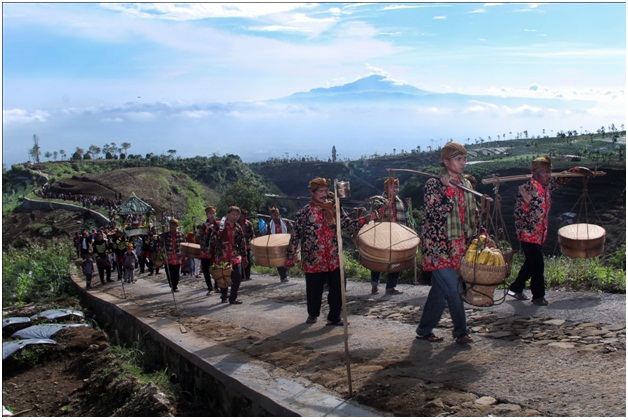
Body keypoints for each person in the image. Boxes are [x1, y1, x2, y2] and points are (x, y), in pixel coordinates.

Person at [285, 177, 372, 325]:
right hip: (313, 257)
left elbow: (349, 226)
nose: (324, 194)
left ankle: (334, 316)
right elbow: (295, 235)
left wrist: (367, 218)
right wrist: (290, 255)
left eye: (326, 190)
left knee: (338, 287)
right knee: (314, 289)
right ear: (312, 192)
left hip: (333, 256)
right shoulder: (304, 213)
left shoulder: (335, 208)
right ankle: (313, 313)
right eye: (320, 191)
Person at [416, 142, 478, 345]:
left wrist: (480, 235)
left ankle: (424, 329)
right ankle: (461, 331)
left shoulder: (466, 184)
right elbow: (434, 216)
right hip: (438, 247)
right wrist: (448, 192)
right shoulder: (434, 184)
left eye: (464, 159)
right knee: (453, 288)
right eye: (458, 159)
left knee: (440, 291)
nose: (463, 163)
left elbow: (472, 214)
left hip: (457, 246)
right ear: (446, 162)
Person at [508, 156, 592, 305]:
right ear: (536, 173)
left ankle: (515, 288)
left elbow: (561, 179)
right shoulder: (527, 189)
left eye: (549, 172)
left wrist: (577, 169)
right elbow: (518, 214)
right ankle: (538, 296)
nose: (549, 175)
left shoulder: (547, 186)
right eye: (545, 172)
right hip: (528, 233)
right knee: (538, 264)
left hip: (540, 233)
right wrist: (527, 204)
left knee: (530, 263)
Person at [369, 176, 407, 295]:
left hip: (397, 236)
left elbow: (403, 219)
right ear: (386, 188)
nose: (395, 189)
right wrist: (385, 206)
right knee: (379, 260)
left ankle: (390, 287)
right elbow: (373, 215)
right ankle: (374, 284)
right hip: (382, 235)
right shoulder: (378, 200)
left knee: (396, 261)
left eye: (397, 187)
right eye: (392, 187)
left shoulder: (400, 202)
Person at [210, 206, 247, 304]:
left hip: (235, 256)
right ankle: (224, 296)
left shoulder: (238, 228)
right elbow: (212, 240)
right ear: (227, 215)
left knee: (238, 277)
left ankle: (233, 298)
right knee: (223, 277)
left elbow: (242, 243)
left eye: (237, 215)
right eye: (233, 214)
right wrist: (219, 237)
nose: (235, 217)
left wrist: (244, 257)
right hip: (222, 256)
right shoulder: (219, 226)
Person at [199, 206, 221, 295]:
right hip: (205, 251)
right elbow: (198, 237)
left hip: (215, 251)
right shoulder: (202, 226)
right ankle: (210, 288)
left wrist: (214, 230)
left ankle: (216, 286)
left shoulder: (219, 225)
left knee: (216, 269)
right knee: (206, 270)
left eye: (213, 213)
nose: (211, 215)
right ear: (207, 215)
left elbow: (221, 235)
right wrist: (205, 229)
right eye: (209, 214)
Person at [267, 207, 293, 282]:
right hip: (276, 244)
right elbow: (268, 235)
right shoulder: (270, 225)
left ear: (279, 213)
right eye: (273, 214)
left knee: (287, 259)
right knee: (279, 260)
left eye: (276, 213)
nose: (275, 215)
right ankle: (283, 276)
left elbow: (292, 230)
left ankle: (285, 271)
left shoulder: (285, 222)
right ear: (271, 216)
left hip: (286, 242)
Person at [161, 218, 185, 292]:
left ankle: (175, 285)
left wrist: (183, 254)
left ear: (176, 226)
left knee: (176, 272)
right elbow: (161, 244)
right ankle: (172, 285)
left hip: (177, 256)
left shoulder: (181, 234)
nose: (172, 227)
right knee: (169, 272)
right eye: (171, 225)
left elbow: (183, 244)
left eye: (174, 225)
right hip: (168, 256)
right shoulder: (165, 235)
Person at [238, 209, 255, 280]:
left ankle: (247, 275)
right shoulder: (236, 223)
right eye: (241, 215)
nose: (243, 217)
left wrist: (253, 241)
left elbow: (252, 234)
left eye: (244, 216)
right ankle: (240, 275)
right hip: (238, 245)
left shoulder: (248, 224)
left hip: (246, 244)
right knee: (239, 260)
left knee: (247, 260)